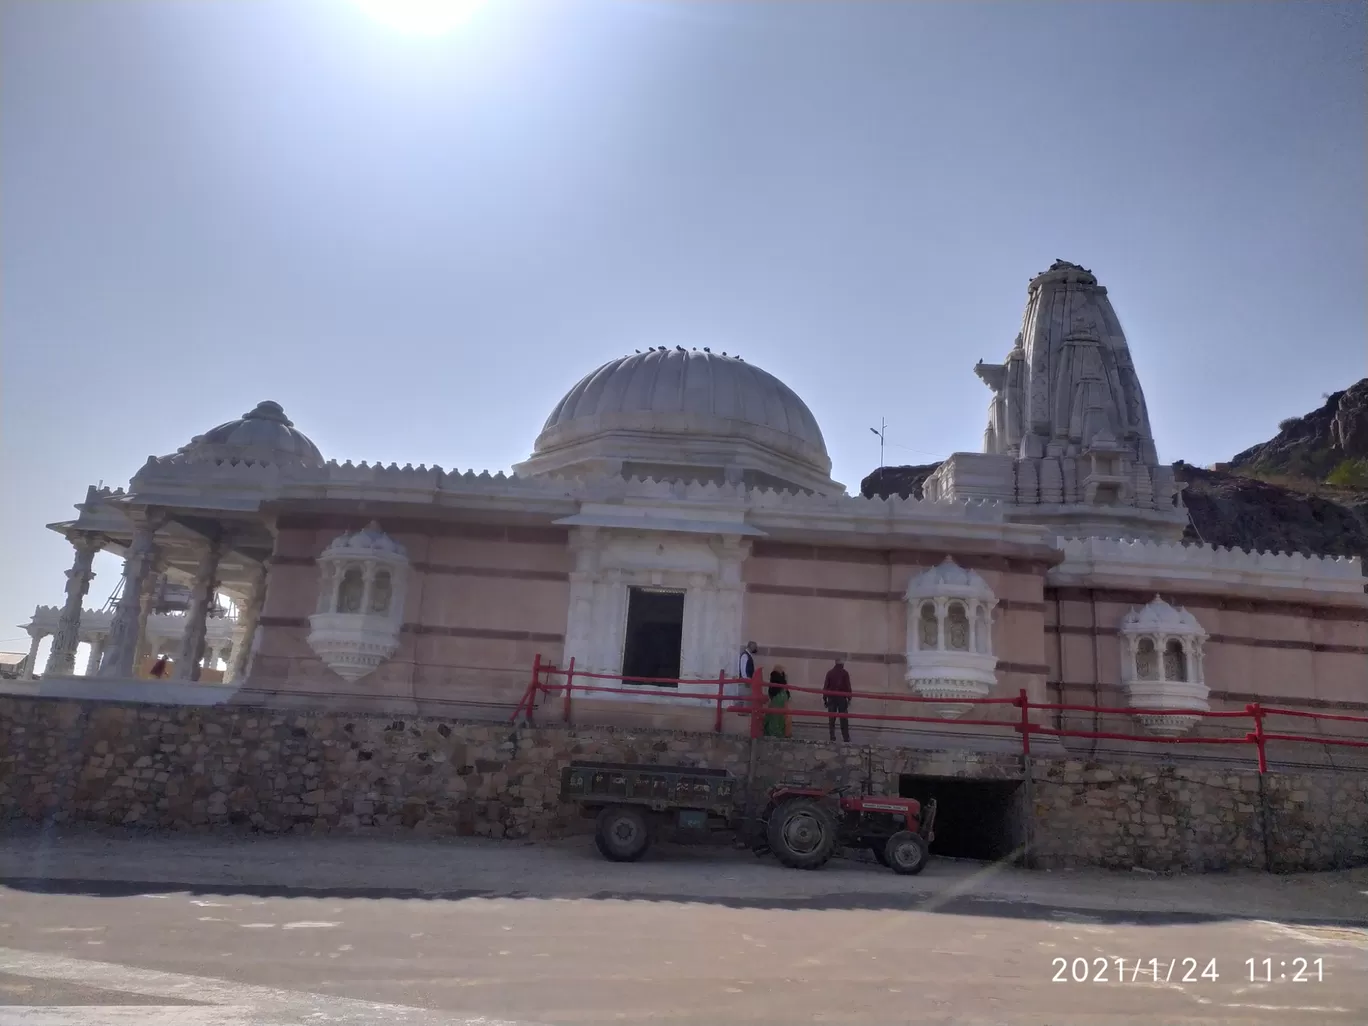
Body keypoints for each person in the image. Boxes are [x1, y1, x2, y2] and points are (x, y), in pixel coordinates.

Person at [823, 656, 852, 743]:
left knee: (832, 718)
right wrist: (849, 698)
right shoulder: (845, 673)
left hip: (831, 697)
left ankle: (832, 736)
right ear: (842, 664)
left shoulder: (830, 673)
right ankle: (845, 737)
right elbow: (848, 686)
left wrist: (825, 698)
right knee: (843, 718)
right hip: (842, 698)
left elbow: (825, 687)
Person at [763, 665, 792, 738]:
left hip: (769, 731)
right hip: (780, 732)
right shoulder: (783, 694)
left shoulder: (772, 695)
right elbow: (787, 716)